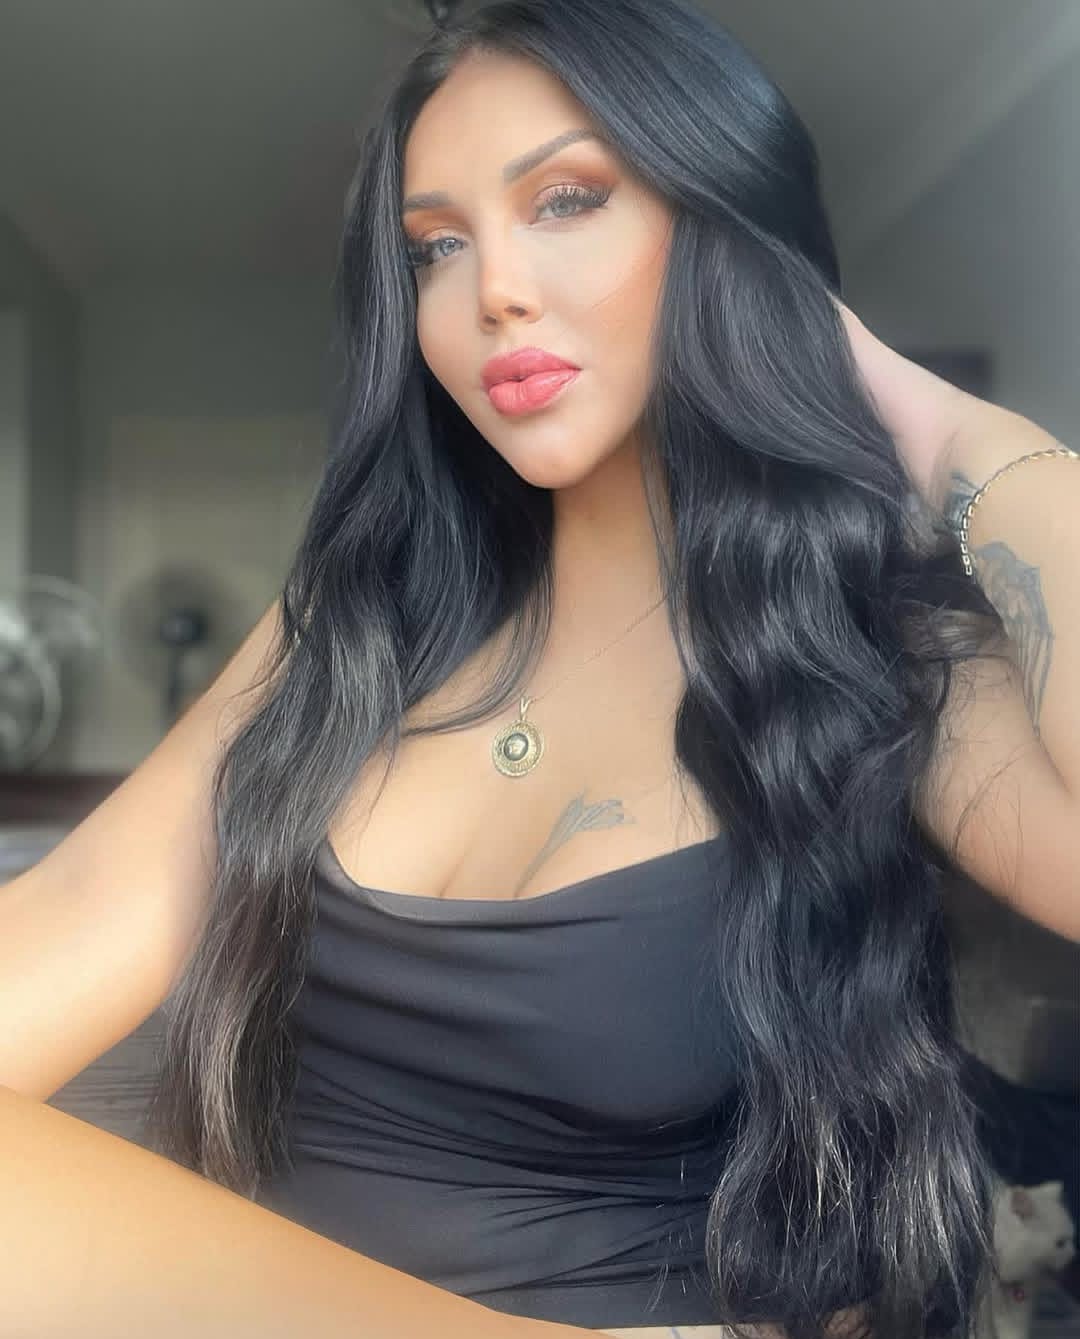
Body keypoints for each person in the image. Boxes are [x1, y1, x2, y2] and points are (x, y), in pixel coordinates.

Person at [3, 1, 1078, 1336]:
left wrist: (954, 432)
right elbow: (60, 931)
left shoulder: (879, 659)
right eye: (436, 246)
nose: (491, 290)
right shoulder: (351, 632)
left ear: (724, 229)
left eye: (566, 200)